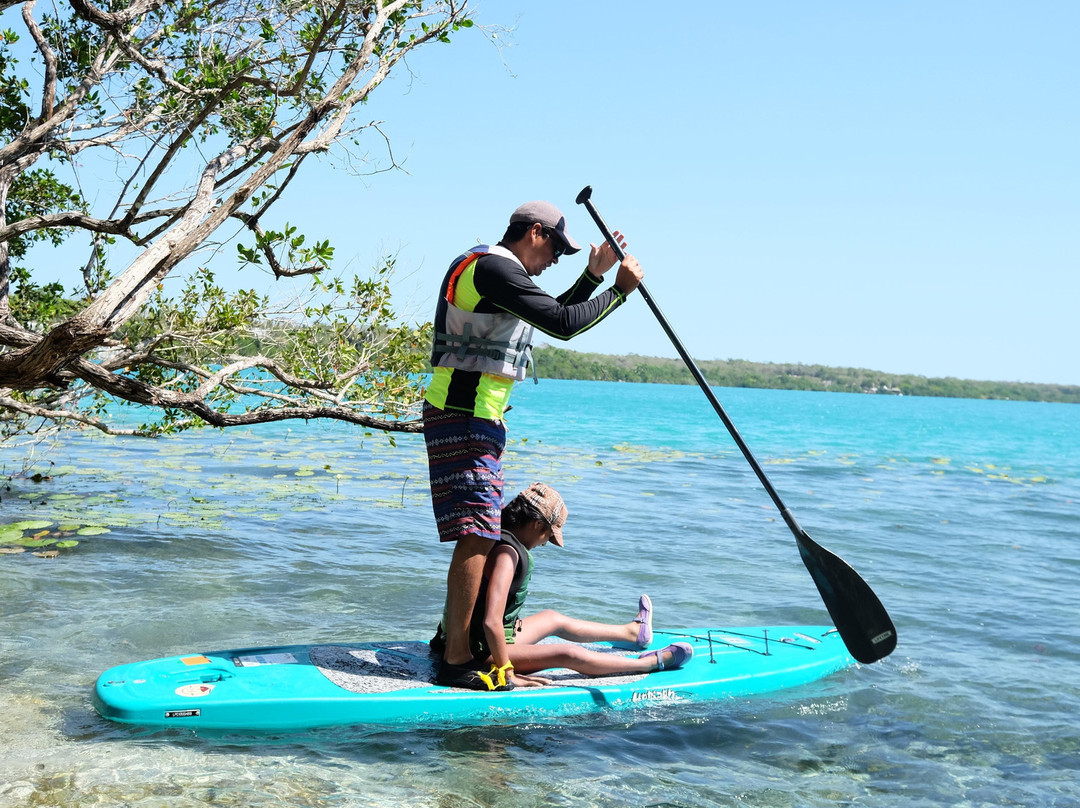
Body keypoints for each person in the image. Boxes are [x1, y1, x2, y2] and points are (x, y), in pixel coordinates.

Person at [424, 200, 645, 690]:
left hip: (472, 417)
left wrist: (591, 277)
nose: (554, 262)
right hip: (464, 416)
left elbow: (553, 313)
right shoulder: (493, 269)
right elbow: (564, 324)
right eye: (557, 252)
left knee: (480, 528)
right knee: (478, 531)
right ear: (536, 233)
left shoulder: (492, 269)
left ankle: (455, 644)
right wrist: (618, 293)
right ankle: (458, 658)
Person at [430, 483, 694, 691]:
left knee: (551, 619)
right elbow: (491, 622)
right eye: (548, 535)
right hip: (482, 651)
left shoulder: (496, 537)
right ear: (537, 524)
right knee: (566, 653)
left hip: (479, 639)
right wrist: (507, 671)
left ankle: (632, 633)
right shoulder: (507, 555)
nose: (545, 543)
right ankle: (648, 664)